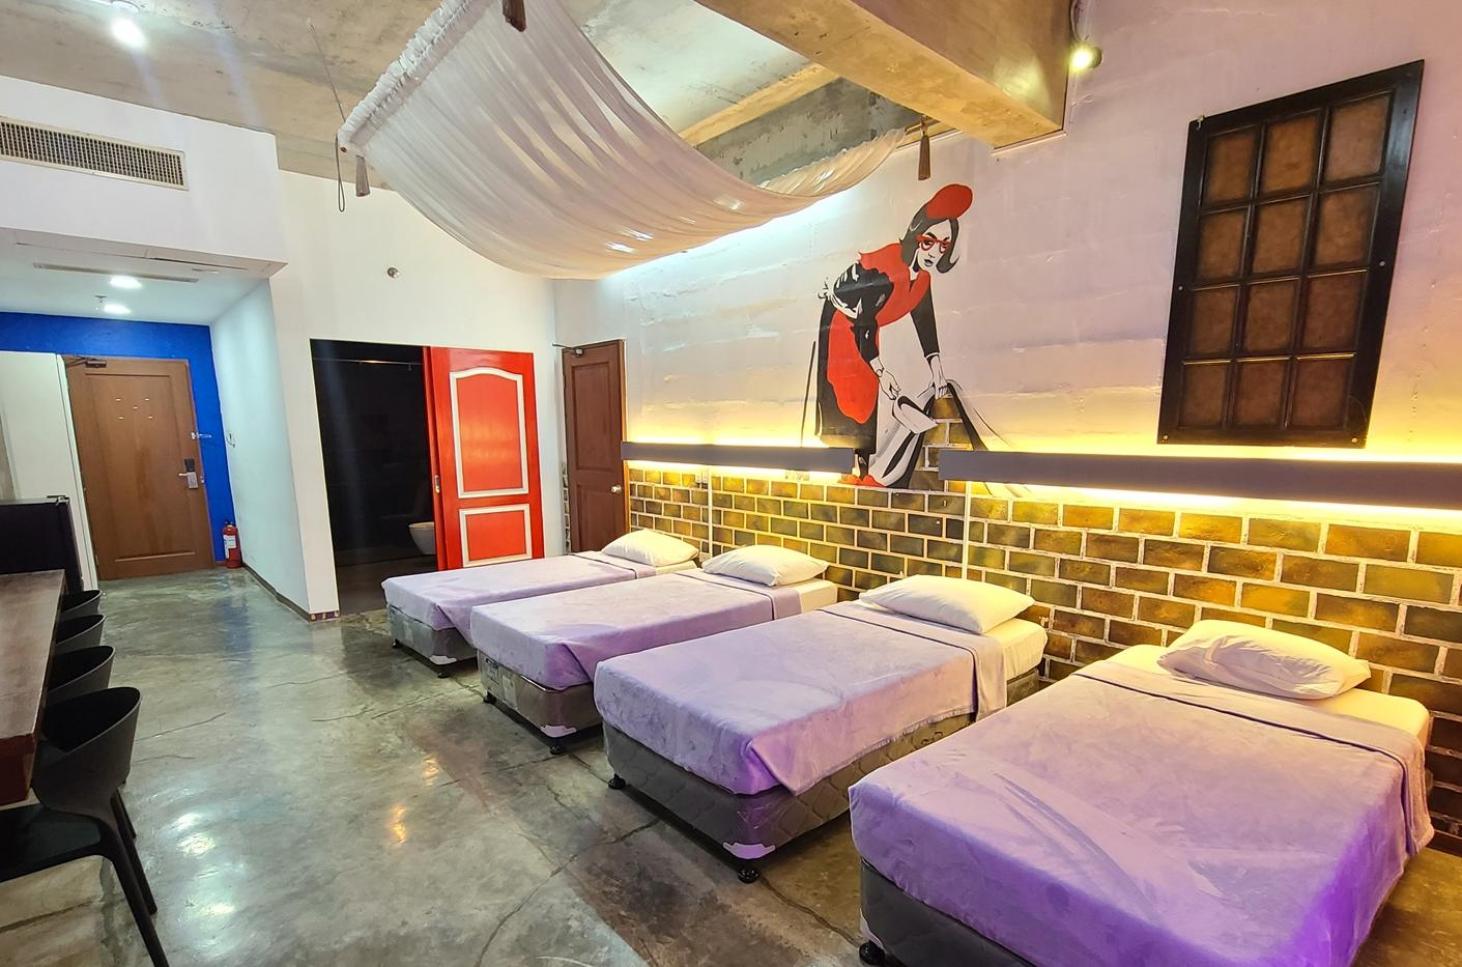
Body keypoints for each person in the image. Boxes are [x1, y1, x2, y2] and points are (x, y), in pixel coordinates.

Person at [815, 183, 973, 488]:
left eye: (943, 245)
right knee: (852, 397)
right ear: (917, 235)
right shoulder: (886, 270)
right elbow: (863, 323)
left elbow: (925, 326)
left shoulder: (921, 279)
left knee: (869, 399)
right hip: (843, 326)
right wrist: (881, 372)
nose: (935, 251)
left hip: (868, 331)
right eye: (929, 241)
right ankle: (850, 470)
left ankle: (865, 472)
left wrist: (937, 371)